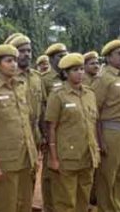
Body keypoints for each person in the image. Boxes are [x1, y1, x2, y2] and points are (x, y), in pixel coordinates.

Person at [0, 44, 38, 212]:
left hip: (26, 158)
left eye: (15, 61)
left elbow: (27, 121)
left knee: (24, 205)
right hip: (4, 161)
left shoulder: (21, 86)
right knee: (4, 206)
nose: (14, 65)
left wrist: (33, 154)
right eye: (8, 61)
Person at [46, 53, 99, 212]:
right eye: (75, 70)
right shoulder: (58, 95)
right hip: (66, 157)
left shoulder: (90, 94)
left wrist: (95, 148)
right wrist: (53, 158)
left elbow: (92, 123)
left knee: (83, 198)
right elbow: (51, 127)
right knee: (65, 201)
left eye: (82, 69)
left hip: (87, 155)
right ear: (65, 73)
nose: (80, 73)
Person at [91, 39, 120, 212]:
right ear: (109, 57)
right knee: (107, 178)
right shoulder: (104, 79)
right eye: (119, 53)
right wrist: (99, 140)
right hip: (111, 133)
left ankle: (117, 207)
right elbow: (94, 112)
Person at [41, 43, 68, 212]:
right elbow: (42, 108)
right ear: (51, 60)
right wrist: (44, 134)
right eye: (59, 56)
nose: (63, 58)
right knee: (49, 174)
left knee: (66, 171)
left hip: (68, 132)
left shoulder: (70, 76)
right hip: (51, 132)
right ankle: (49, 207)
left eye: (65, 55)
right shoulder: (45, 79)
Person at [9, 34, 45, 148]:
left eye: (29, 51)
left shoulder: (37, 77)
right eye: (22, 51)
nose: (27, 54)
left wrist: (44, 134)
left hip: (35, 135)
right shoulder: (9, 78)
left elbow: (43, 107)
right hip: (15, 136)